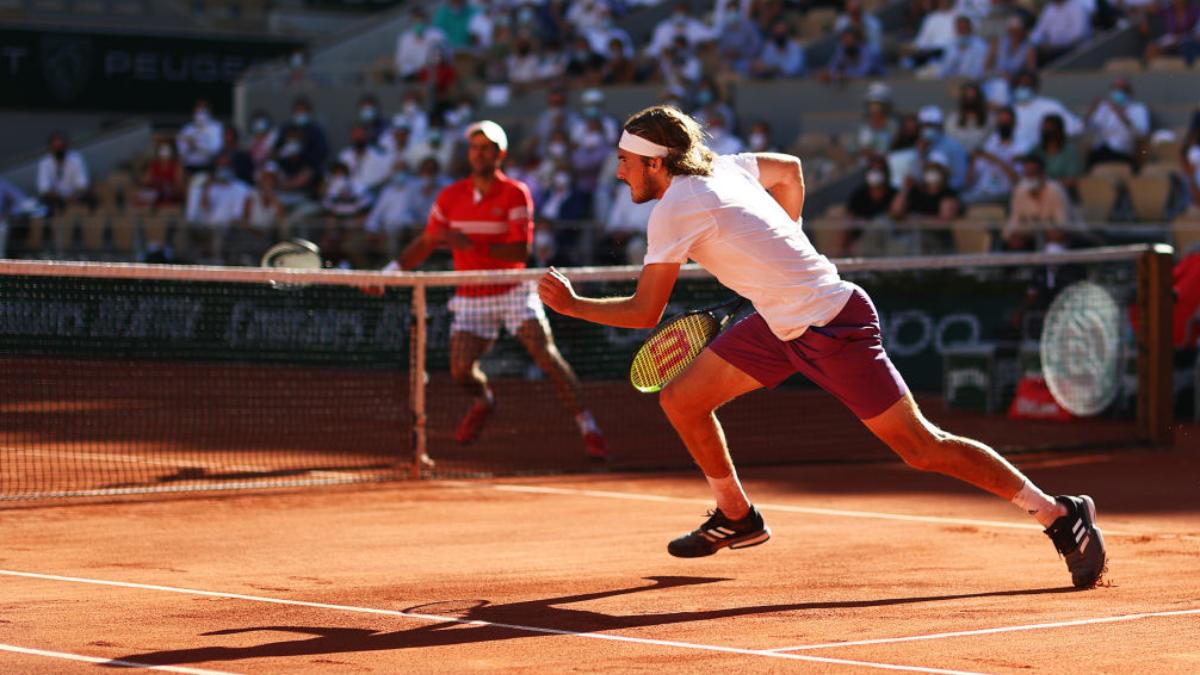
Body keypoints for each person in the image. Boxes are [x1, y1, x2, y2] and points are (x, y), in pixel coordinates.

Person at [537, 105, 1106, 590]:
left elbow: (645, 313)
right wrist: (789, 244)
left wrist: (571, 305)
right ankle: (737, 516)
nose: (618, 171)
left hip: (831, 323)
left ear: (655, 162)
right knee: (682, 399)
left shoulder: (674, 208)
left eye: (625, 161)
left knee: (921, 447)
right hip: (779, 322)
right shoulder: (728, 168)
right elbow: (790, 171)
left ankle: (1060, 514)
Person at [395, 121, 609, 460]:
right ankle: (484, 400)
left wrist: (469, 244)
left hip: (512, 290)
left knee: (546, 356)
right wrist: (391, 272)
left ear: (500, 154)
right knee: (460, 370)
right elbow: (426, 242)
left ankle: (589, 427)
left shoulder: (515, 192)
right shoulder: (450, 196)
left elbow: (518, 252)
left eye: (486, 148)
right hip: (470, 294)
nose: (479, 154)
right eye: (474, 148)